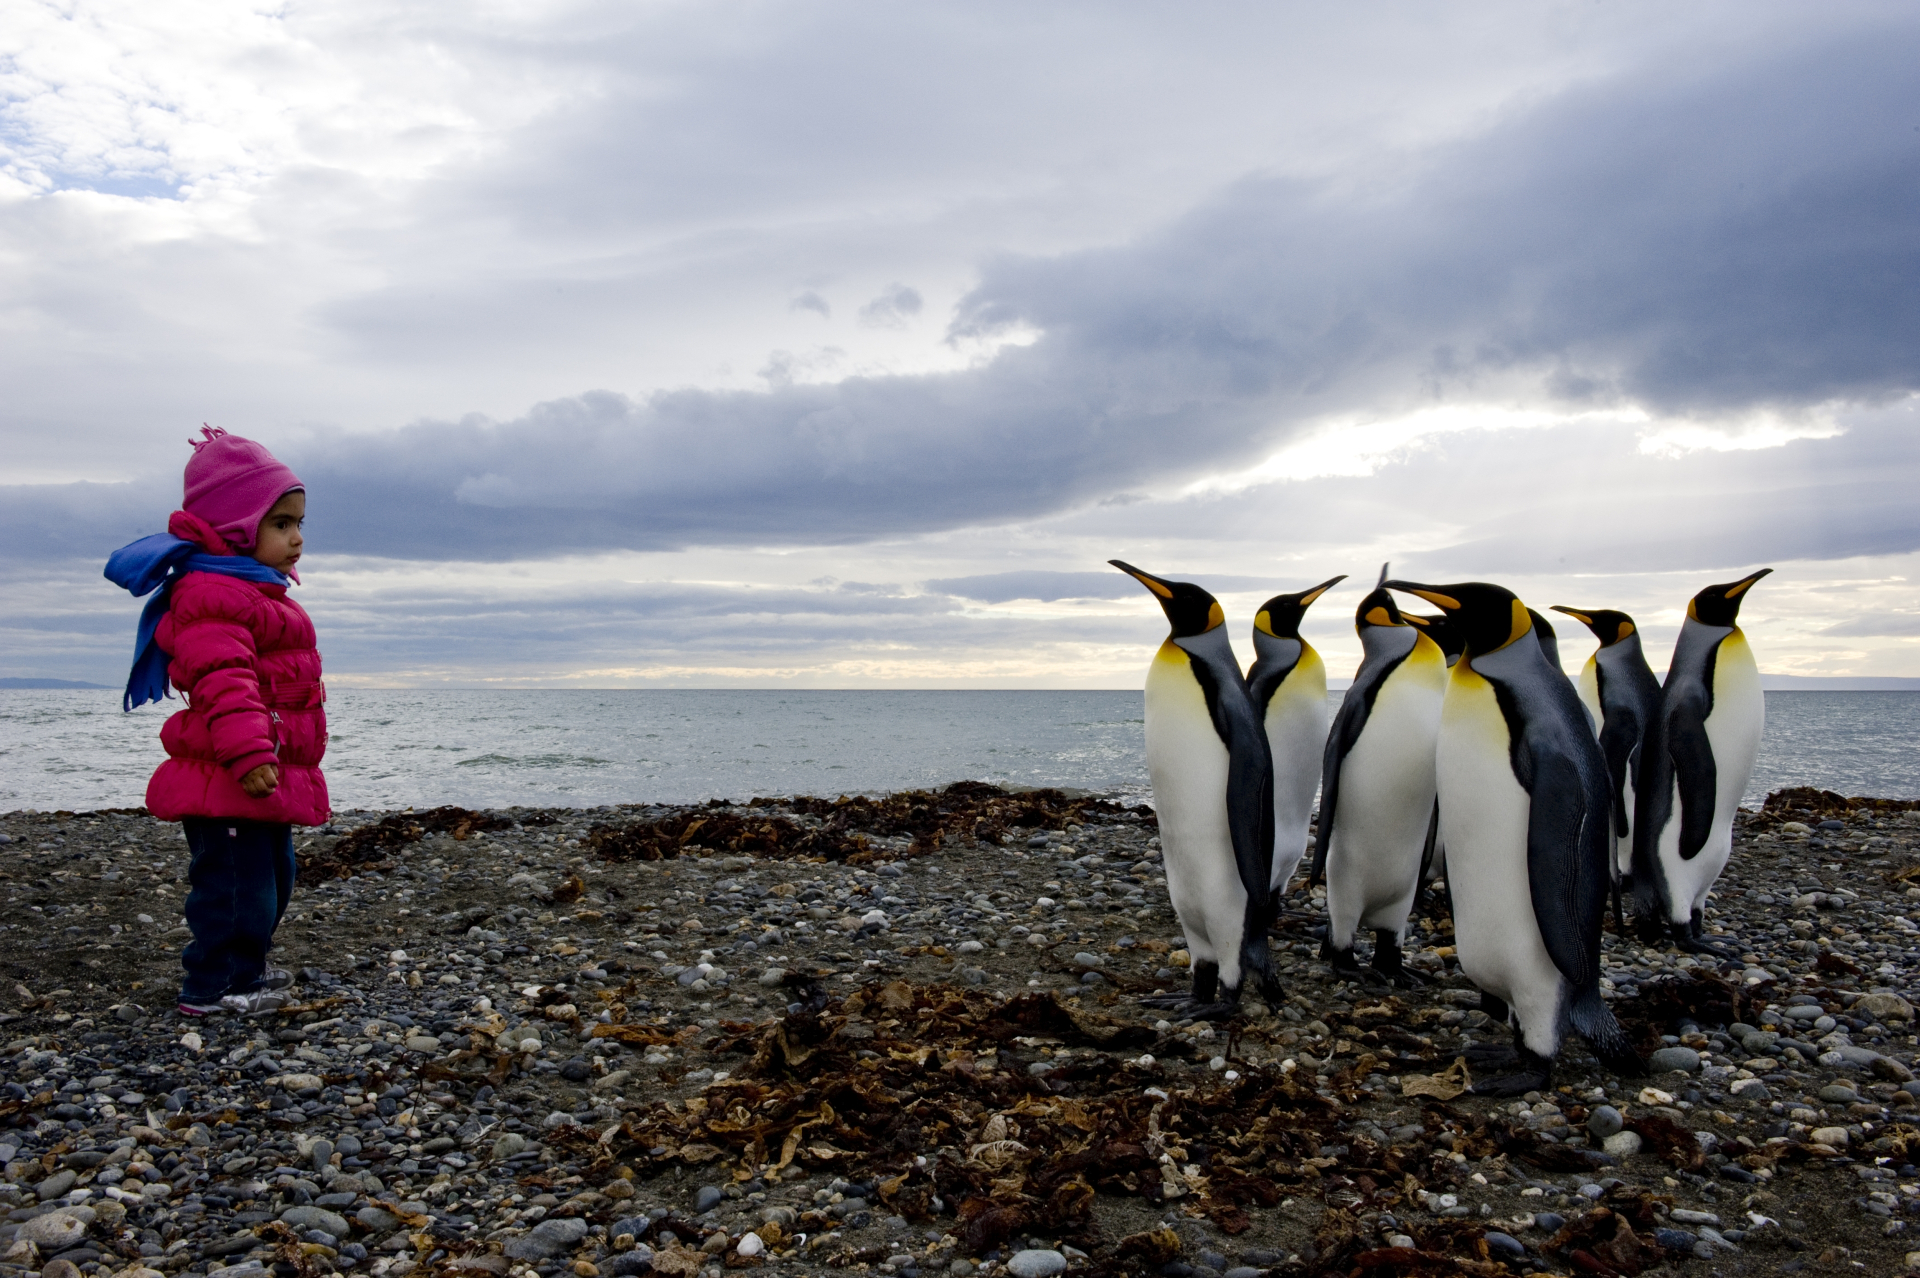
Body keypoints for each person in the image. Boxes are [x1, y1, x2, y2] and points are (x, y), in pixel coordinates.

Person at [105, 427, 329, 1016]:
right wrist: (252, 753)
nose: (298, 538)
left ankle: (245, 970)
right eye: (281, 524)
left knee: (274, 877)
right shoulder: (213, 593)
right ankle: (212, 985)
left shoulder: (258, 592)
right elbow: (223, 679)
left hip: (261, 772)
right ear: (236, 526)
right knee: (234, 888)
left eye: (300, 523)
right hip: (231, 774)